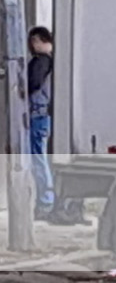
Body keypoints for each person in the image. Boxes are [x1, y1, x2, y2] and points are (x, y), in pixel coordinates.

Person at [28, 27, 55, 220]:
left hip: (38, 115)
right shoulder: (52, 61)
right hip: (44, 116)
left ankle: (45, 202)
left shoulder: (42, 61)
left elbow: (33, 83)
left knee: (38, 159)